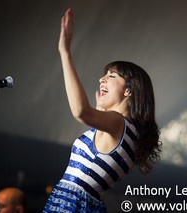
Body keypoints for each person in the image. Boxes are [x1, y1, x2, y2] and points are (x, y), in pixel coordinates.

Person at [42, 8, 161, 212]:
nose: (102, 79)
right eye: (104, 75)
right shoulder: (125, 129)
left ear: (129, 91)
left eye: (112, 76)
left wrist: (65, 52)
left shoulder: (118, 123)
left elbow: (80, 111)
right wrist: (100, 109)